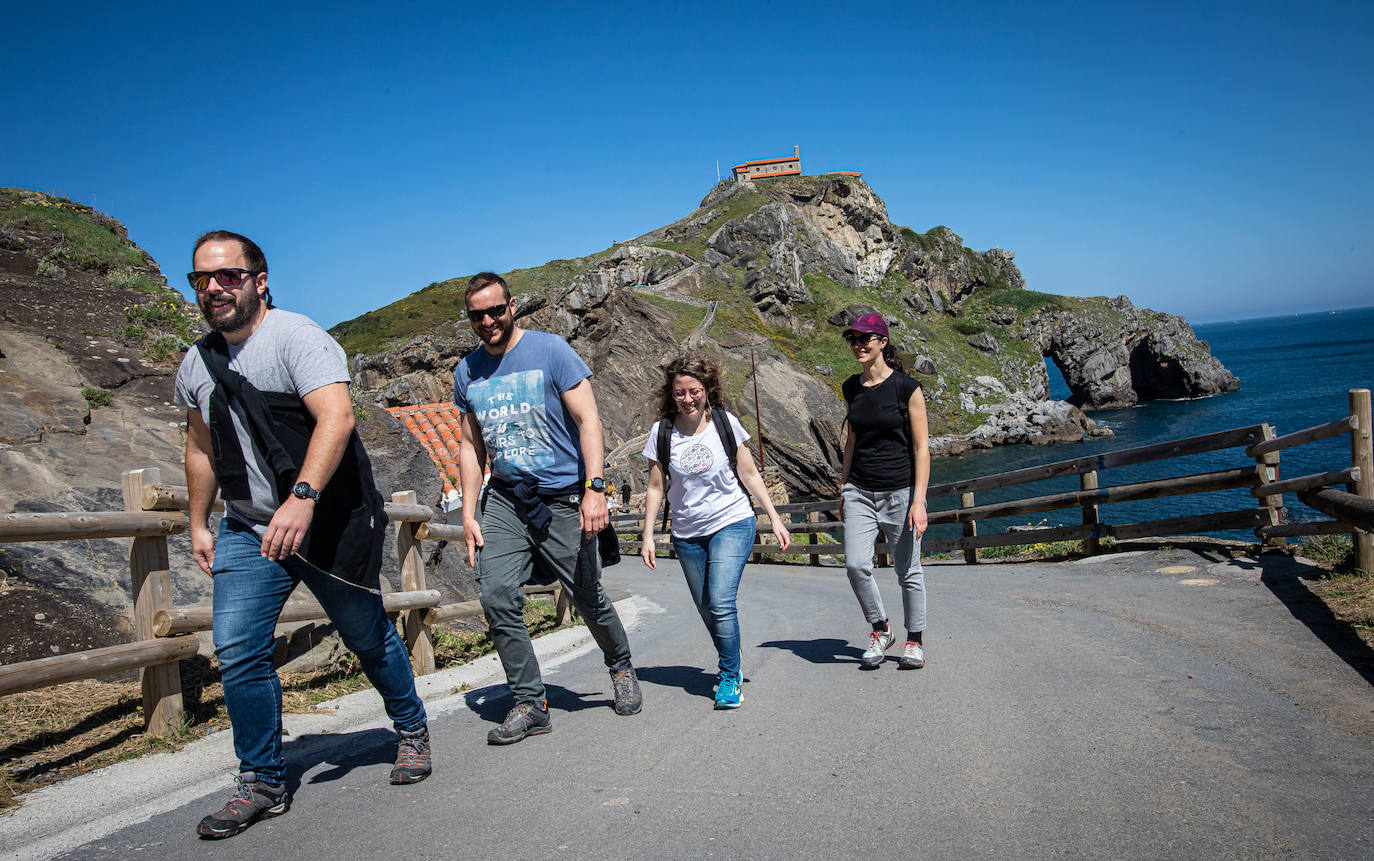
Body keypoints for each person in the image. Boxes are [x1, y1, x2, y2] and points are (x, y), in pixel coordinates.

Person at [175, 231, 430, 840]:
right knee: (237, 648)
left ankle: (411, 727)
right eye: (202, 279)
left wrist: (302, 499)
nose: (214, 288)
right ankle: (261, 780)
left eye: (228, 276)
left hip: (329, 518)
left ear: (259, 280)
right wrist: (197, 522)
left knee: (366, 635)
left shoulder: (297, 338)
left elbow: (336, 417)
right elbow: (201, 447)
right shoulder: (196, 364)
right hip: (249, 527)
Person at [454, 272, 641, 745]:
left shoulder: (552, 351)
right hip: (505, 498)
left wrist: (595, 488)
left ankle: (619, 666)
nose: (488, 320)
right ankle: (530, 702)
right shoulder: (467, 372)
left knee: (587, 594)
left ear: (512, 306)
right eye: (478, 315)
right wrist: (468, 512)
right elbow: (471, 447)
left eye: (496, 310)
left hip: (561, 495)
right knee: (497, 596)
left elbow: (588, 419)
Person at [639, 353, 790, 708]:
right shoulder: (661, 433)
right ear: (670, 394)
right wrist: (648, 535)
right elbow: (656, 487)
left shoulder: (725, 423)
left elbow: (750, 474)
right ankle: (730, 647)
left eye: (694, 391)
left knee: (721, 601)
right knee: (708, 607)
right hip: (687, 532)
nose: (687, 399)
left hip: (732, 521)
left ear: (707, 390)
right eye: (680, 393)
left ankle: (728, 676)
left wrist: (775, 517)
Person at [837, 314, 931, 670]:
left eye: (866, 339)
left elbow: (922, 448)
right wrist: (843, 486)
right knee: (856, 565)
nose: (858, 345)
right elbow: (851, 439)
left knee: (908, 570)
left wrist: (918, 501)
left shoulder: (907, 388)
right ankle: (881, 629)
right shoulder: (851, 388)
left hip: (900, 490)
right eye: (854, 340)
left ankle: (915, 640)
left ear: (882, 342)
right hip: (859, 489)